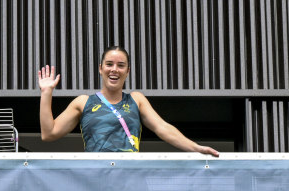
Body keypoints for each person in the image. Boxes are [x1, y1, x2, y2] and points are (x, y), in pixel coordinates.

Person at [38, 46, 219, 157]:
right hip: (94, 180)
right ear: (100, 69)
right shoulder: (83, 102)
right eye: (109, 64)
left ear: (128, 71)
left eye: (120, 65)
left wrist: (195, 147)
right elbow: (49, 133)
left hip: (130, 179)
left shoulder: (136, 99)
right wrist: (46, 93)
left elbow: (162, 128)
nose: (114, 69)